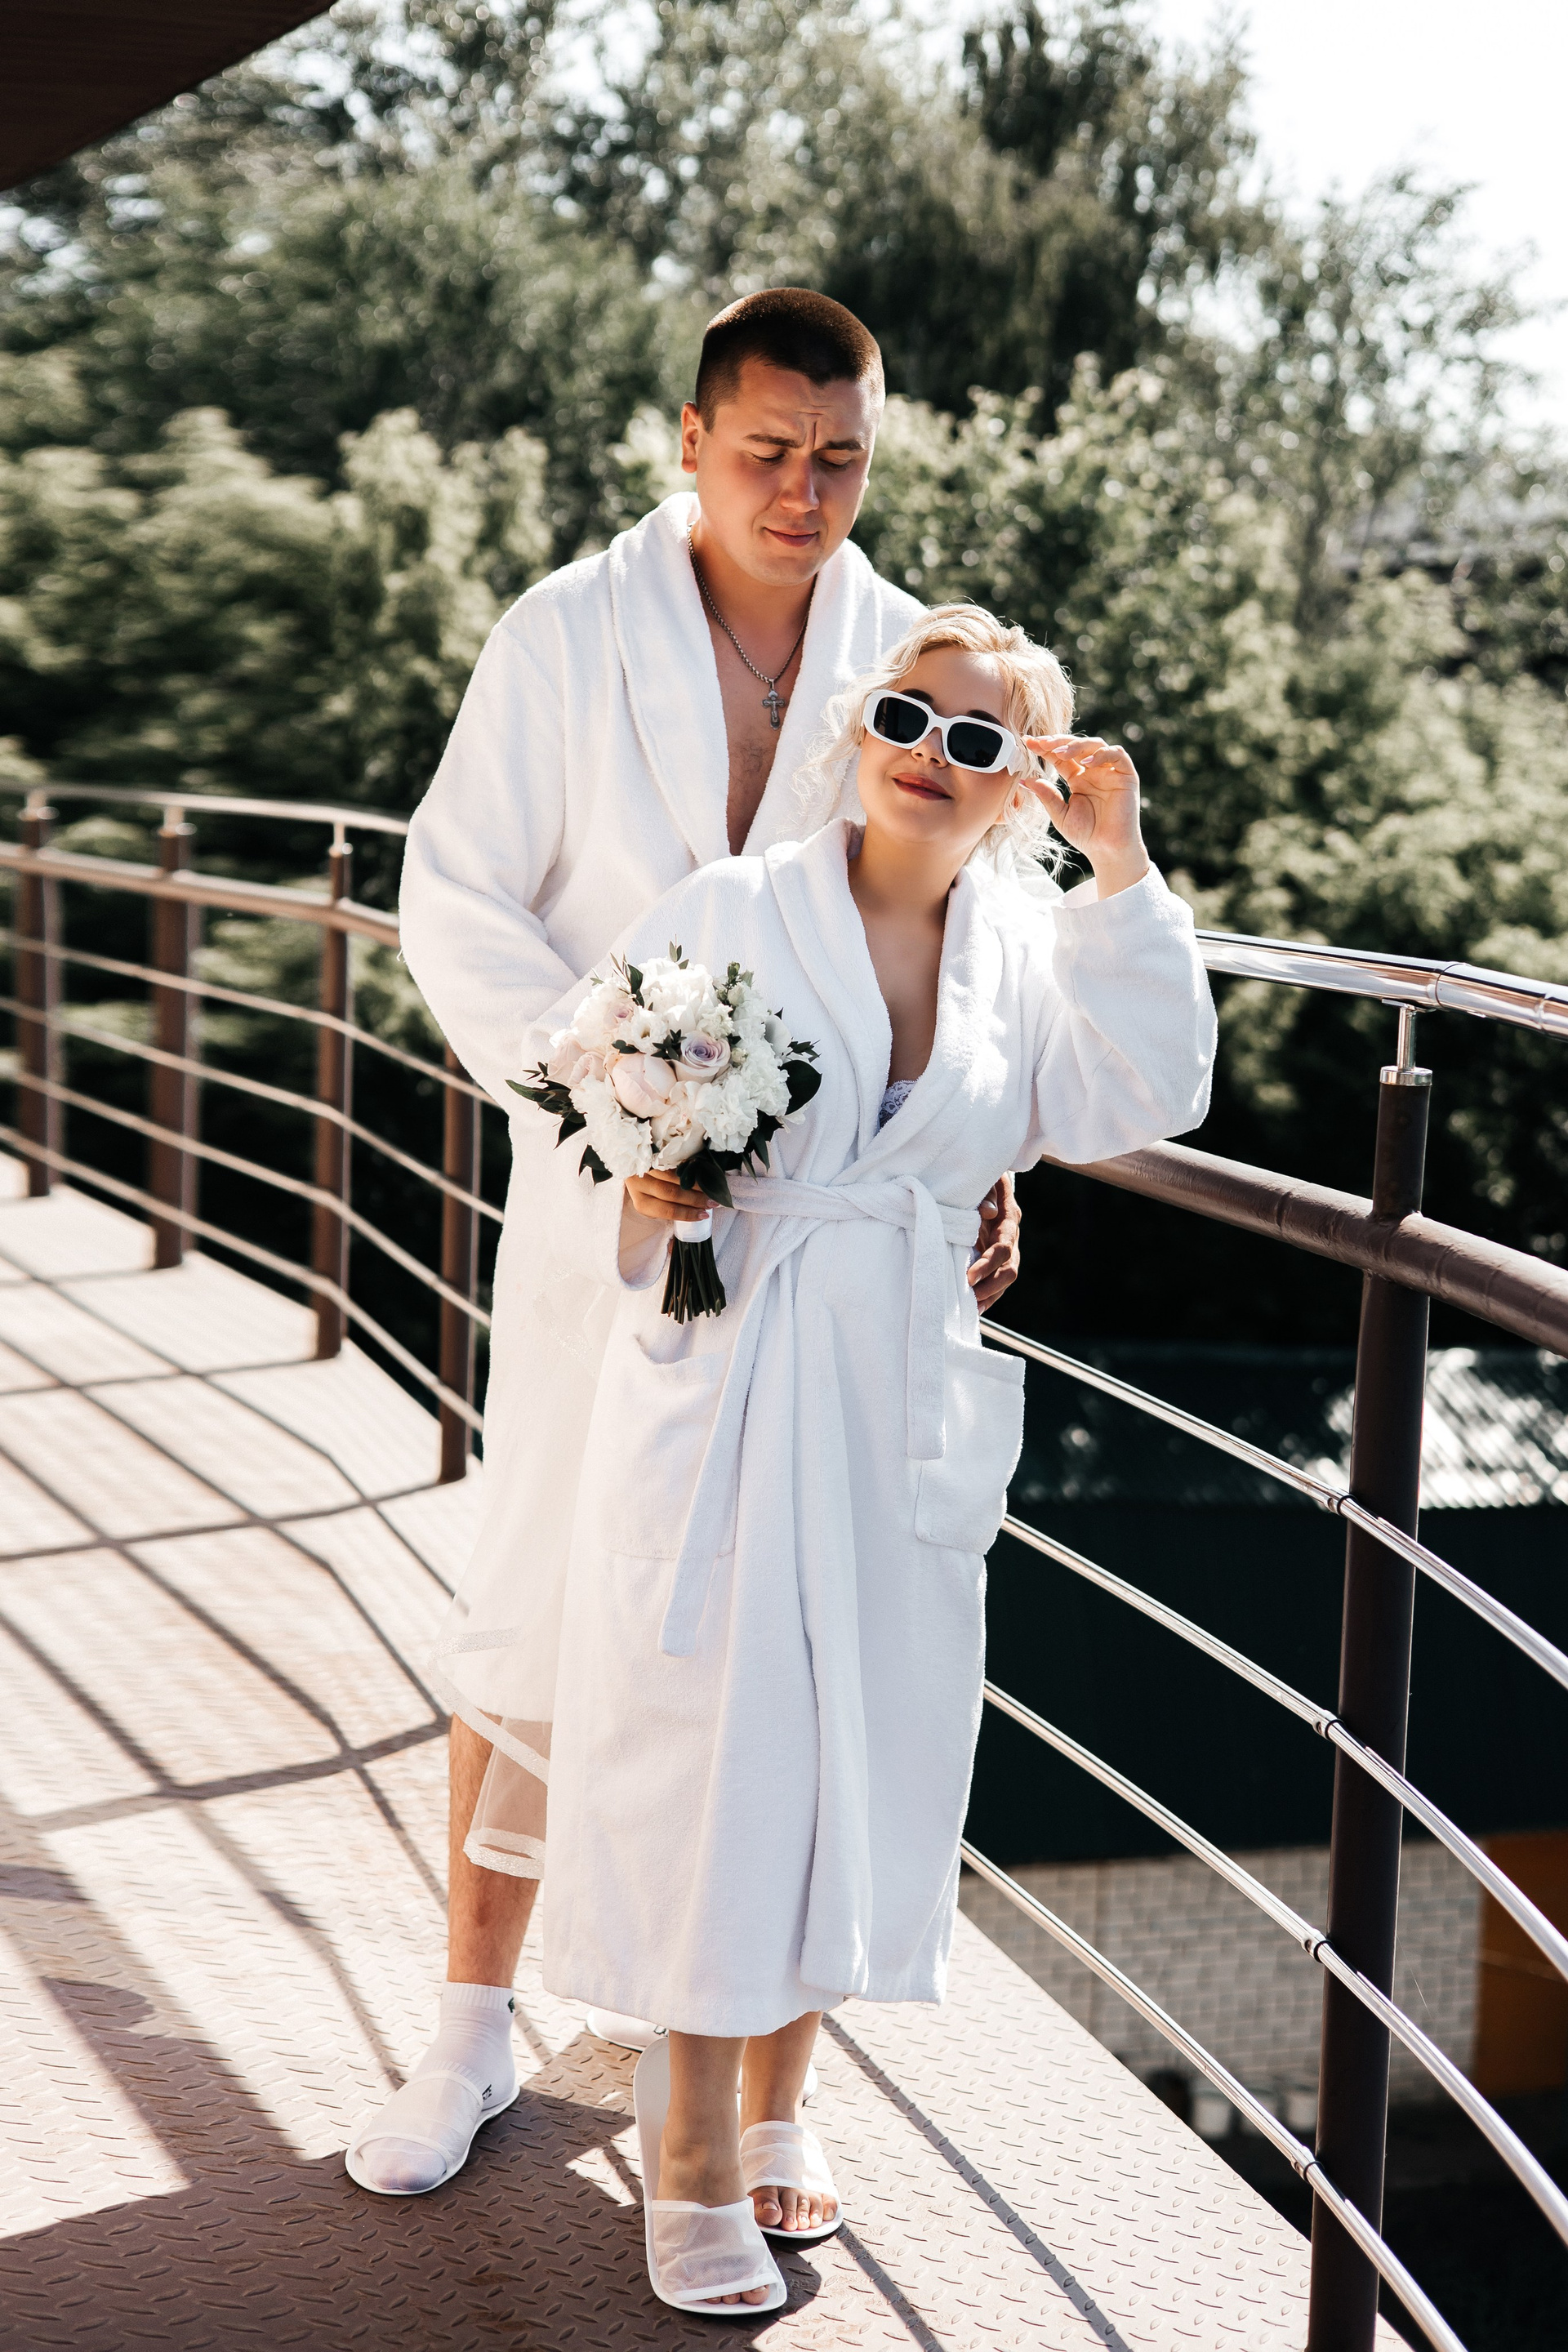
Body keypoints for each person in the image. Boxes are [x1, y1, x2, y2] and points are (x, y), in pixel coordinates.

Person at [349, 289, 1023, 2198]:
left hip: (820, 1264)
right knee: (538, 1599)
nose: (804, 494)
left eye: (841, 460)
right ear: (691, 441)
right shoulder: (567, 633)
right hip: (614, 1221)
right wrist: (621, 1113)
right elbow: (454, 897)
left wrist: (982, 1143)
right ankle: (470, 2026)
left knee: (780, 1646)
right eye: (769, 454)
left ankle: (730, 2067)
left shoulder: (911, 657)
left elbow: (982, 916)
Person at [522, 603, 1217, 2312]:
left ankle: (782, 2104)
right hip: (735, 1382)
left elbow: (1150, 1086)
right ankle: (691, 2157)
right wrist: (652, 1187)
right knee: (721, 1755)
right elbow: (588, 1092)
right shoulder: (730, 910)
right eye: (909, 716)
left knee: (856, 1746)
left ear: (1019, 785)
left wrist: (1120, 866)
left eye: (979, 740)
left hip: (898, 1395)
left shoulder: (1023, 953)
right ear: (861, 725)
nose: (930, 755)